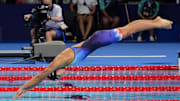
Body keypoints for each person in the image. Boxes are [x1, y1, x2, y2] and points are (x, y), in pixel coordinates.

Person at [12, 16, 173, 100]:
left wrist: (24, 88)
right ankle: (155, 22)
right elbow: (83, 44)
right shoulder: (66, 59)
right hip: (97, 40)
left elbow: (41, 75)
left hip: (99, 40)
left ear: (55, 73)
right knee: (128, 29)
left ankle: (157, 22)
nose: (62, 76)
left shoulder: (59, 62)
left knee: (129, 29)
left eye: (57, 76)